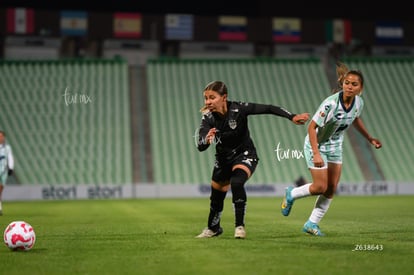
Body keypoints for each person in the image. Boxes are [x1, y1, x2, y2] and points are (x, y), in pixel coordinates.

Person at [195, 80, 310, 239]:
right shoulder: (208, 118)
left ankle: (239, 227)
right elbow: (200, 146)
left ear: (224, 97)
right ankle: (213, 228)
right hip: (222, 160)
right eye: (206, 98)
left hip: (245, 154)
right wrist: (206, 140)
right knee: (216, 198)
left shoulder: (239, 108)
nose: (208, 102)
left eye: (212, 97)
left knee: (237, 182)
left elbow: (269, 108)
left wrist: (292, 116)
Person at [280, 62, 382, 236]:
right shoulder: (330, 104)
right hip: (316, 144)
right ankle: (292, 193)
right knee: (320, 186)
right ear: (342, 84)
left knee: (331, 188)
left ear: (361, 88)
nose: (349, 87)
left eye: (354, 84)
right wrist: (316, 153)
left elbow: (355, 118)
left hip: (335, 146)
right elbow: (311, 128)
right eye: (347, 83)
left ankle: (311, 223)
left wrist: (369, 137)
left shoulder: (359, 102)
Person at [0, 130, 14, 216]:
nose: (0, 138)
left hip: (3, 171)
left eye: (1, 136)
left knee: (1, 189)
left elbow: (10, 157)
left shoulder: (7, 147)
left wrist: (11, 168)